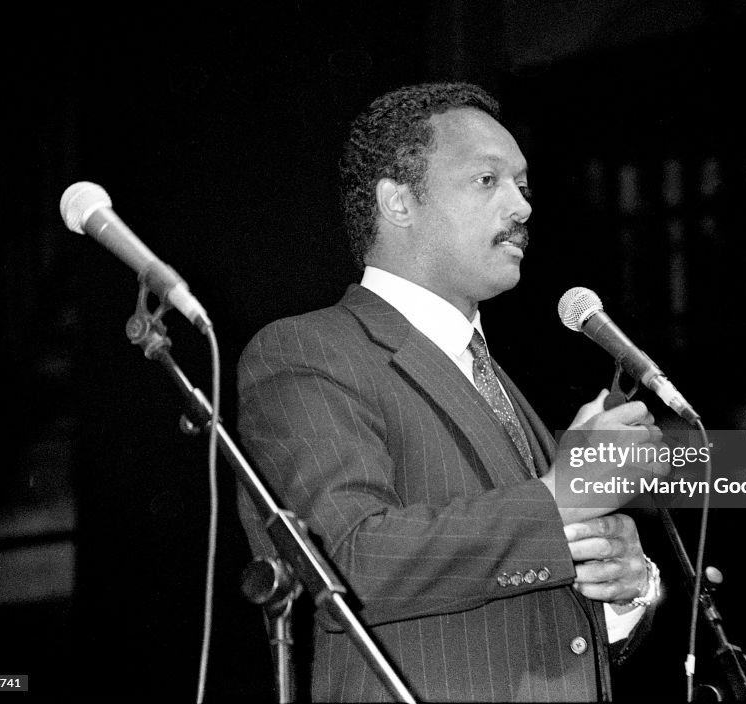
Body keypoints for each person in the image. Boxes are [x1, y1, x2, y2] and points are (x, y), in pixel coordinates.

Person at [236, 82, 665, 702]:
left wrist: (625, 589)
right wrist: (560, 498)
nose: (521, 207)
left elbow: (535, 607)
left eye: (523, 185)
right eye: (487, 180)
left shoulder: (499, 382)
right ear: (399, 202)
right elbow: (346, 560)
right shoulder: (310, 351)